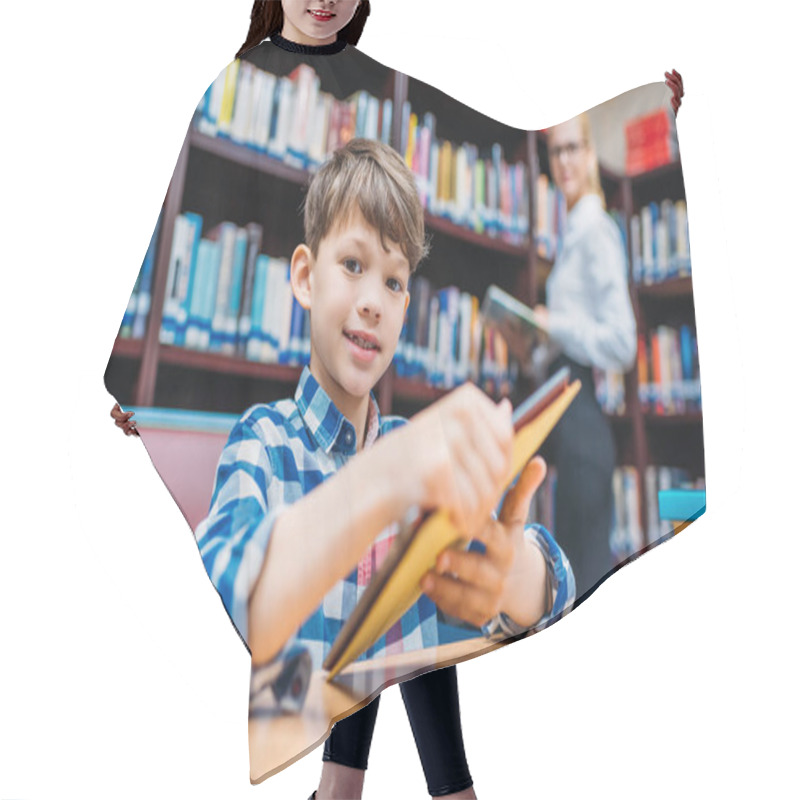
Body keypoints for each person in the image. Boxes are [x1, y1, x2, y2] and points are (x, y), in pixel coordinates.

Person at [530, 110, 640, 599]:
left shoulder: (596, 229)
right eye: (557, 150)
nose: (565, 160)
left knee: (586, 592)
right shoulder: (573, 230)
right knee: (570, 591)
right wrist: (532, 345)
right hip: (564, 427)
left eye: (574, 147)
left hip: (585, 436)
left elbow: (623, 342)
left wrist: (555, 326)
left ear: (591, 154)